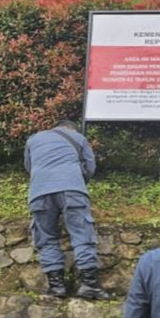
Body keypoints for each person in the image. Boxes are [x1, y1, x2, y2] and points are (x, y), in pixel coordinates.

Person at [24, 119, 110, 299]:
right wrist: (78, 179)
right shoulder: (78, 137)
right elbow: (90, 167)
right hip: (72, 190)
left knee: (45, 237)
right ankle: (89, 285)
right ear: (71, 129)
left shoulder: (33, 139)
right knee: (81, 233)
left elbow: (29, 166)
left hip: (39, 192)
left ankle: (56, 287)